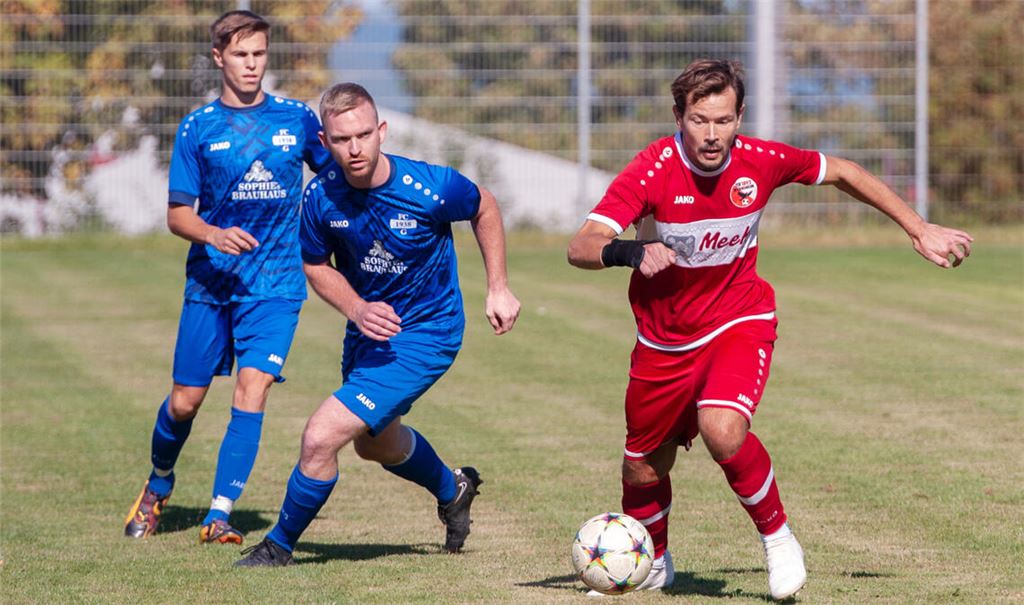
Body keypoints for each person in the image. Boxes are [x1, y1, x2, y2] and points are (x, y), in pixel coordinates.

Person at [567, 59, 972, 600]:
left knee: (722, 428)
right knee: (643, 467)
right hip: (664, 341)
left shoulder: (762, 160)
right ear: (678, 116)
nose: (712, 135)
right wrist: (630, 250)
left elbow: (845, 172)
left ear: (740, 117)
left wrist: (918, 229)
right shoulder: (652, 169)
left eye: (724, 120)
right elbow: (580, 246)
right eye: (699, 120)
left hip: (740, 318)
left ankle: (779, 541)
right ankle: (656, 561)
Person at [235, 83, 521, 567]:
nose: (355, 148)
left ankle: (278, 547)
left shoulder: (429, 187)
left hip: (428, 334)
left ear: (381, 131)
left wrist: (498, 286)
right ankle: (454, 489)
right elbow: (315, 264)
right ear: (324, 142)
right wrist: (356, 308)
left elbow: (484, 206)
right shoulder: (320, 197)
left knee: (321, 435)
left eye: (364, 135)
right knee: (376, 444)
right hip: (369, 334)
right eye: (343, 139)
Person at [123, 10, 331, 544]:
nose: (252, 65)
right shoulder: (199, 127)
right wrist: (213, 234)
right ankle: (159, 482)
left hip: (277, 284)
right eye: (240, 55)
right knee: (185, 402)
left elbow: (335, 179)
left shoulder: (297, 118)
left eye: (259, 54)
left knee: (252, 385)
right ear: (219, 58)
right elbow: (178, 215)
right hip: (211, 284)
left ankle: (219, 513)